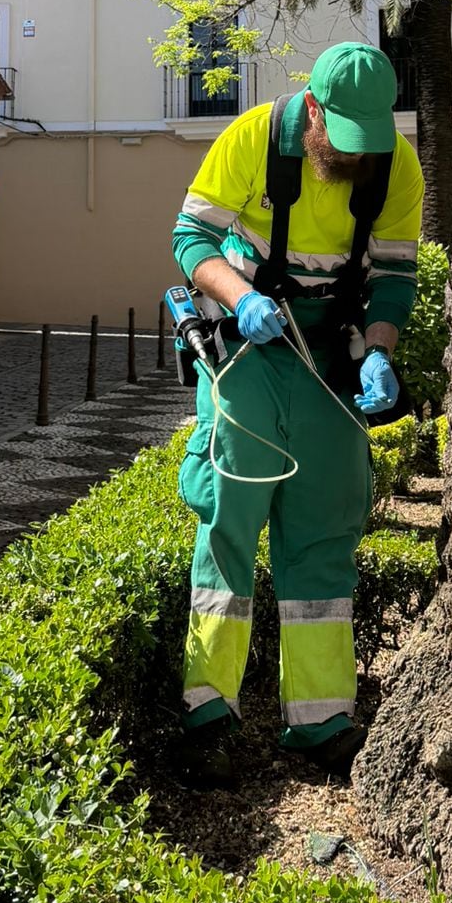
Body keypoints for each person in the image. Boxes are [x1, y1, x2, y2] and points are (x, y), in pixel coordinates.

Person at [171, 41, 424, 784]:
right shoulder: (251, 138)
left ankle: (318, 721)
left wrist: (379, 350)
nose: (353, 157)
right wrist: (240, 296)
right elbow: (189, 239)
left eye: (367, 142)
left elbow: (396, 277)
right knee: (230, 520)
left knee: (325, 528)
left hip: (329, 357)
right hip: (248, 351)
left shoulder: (395, 164)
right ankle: (206, 710)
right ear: (312, 108)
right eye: (341, 139)